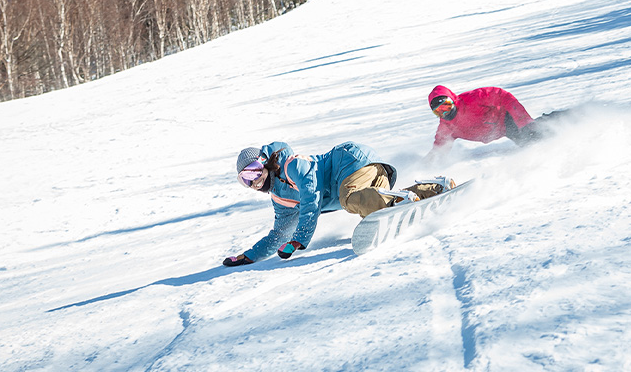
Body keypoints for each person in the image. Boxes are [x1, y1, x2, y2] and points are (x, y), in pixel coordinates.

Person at [224, 141, 453, 266]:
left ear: (264, 163)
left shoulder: (293, 165)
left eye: (254, 172)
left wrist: (299, 240)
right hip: (368, 178)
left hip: (351, 161)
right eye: (245, 179)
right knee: (366, 207)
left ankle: (399, 201)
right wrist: (251, 255)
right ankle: (435, 189)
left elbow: (311, 200)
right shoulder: (281, 200)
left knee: (349, 199)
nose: (253, 182)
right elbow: (279, 234)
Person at [426, 85, 537, 155]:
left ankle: (552, 121)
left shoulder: (473, 98)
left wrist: (524, 121)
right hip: (499, 130)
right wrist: (425, 166)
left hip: (506, 119)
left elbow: (503, 96)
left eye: (447, 106)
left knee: (532, 139)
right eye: (439, 112)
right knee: (528, 142)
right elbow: (439, 149)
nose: (445, 113)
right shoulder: (447, 127)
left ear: (453, 101)